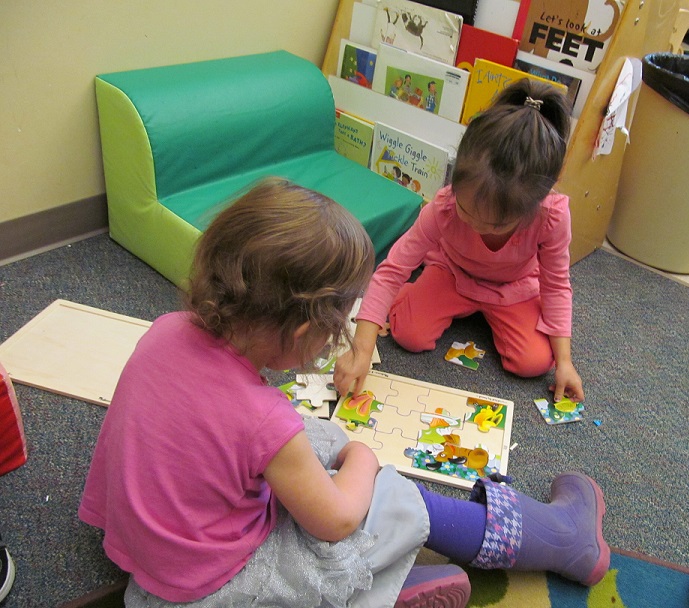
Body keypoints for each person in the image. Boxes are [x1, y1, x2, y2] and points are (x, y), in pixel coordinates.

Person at [79, 178, 608, 608]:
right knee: (384, 494)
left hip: (150, 566)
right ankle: (562, 540)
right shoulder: (263, 422)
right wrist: (362, 458)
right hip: (216, 591)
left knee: (311, 433)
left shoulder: (166, 328)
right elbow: (336, 522)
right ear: (307, 332)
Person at [335, 78, 586, 406]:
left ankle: (470, 310)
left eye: (496, 224)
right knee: (408, 334)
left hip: (515, 287)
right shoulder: (444, 206)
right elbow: (392, 271)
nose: (476, 224)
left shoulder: (551, 216)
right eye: (467, 211)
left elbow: (556, 286)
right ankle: (409, 298)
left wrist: (564, 363)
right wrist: (362, 348)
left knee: (535, 363)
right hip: (451, 273)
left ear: (535, 204)